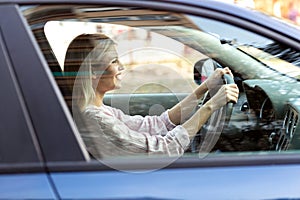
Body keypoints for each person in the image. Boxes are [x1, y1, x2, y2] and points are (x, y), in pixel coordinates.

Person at [64, 33, 239, 159]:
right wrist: (211, 106)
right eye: (114, 61)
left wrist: (203, 89)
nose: (122, 67)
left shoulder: (101, 111)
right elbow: (163, 149)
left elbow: (156, 124)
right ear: (92, 72)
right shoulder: (95, 119)